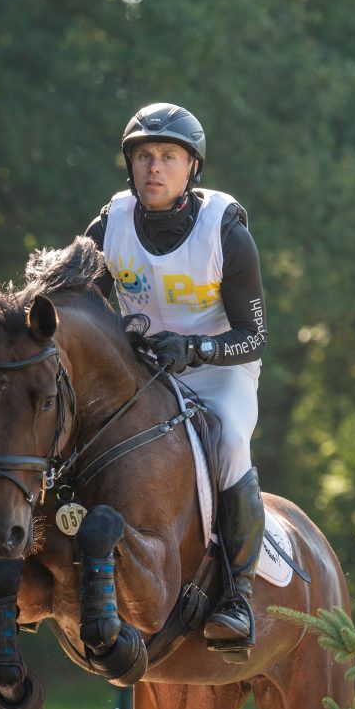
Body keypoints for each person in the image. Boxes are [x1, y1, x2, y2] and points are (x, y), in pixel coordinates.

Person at [84, 102, 267, 650]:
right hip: (140, 372)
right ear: (131, 165)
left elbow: (254, 335)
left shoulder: (226, 232)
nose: (154, 168)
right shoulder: (108, 225)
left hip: (218, 369)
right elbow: (81, 307)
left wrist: (194, 347)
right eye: (144, 156)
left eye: (167, 157)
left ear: (192, 168)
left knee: (232, 441)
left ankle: (237, 596)